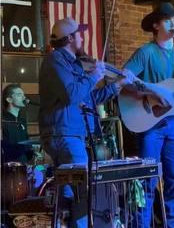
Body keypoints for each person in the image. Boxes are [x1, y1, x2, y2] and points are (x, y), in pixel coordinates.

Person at [39, 17, 137, 228]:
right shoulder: (55, 60)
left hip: (70, 134)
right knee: (83, 194)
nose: (83, 37)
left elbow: (88, 99)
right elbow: (72, 94)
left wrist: (118, 84)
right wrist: (92, 77)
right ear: (70, 38)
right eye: (79, 34)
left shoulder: (71, 64)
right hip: (64, 135)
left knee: (71, 194)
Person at [124, 3, 174, 228]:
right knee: (148, 180)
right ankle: (143, 224)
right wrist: (152, 90)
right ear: (155, 25)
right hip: (150, 124)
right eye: (168, 21)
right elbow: (124, 79)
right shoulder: (145, 53)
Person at [2, 84, 34, 163]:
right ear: (9, 99)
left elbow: (26, 143)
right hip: (7, 168)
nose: (24, 98)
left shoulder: (22, 120)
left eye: (24, 95)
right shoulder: (3, 121)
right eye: (19, 94)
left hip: (23, 166)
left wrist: (32, 152)